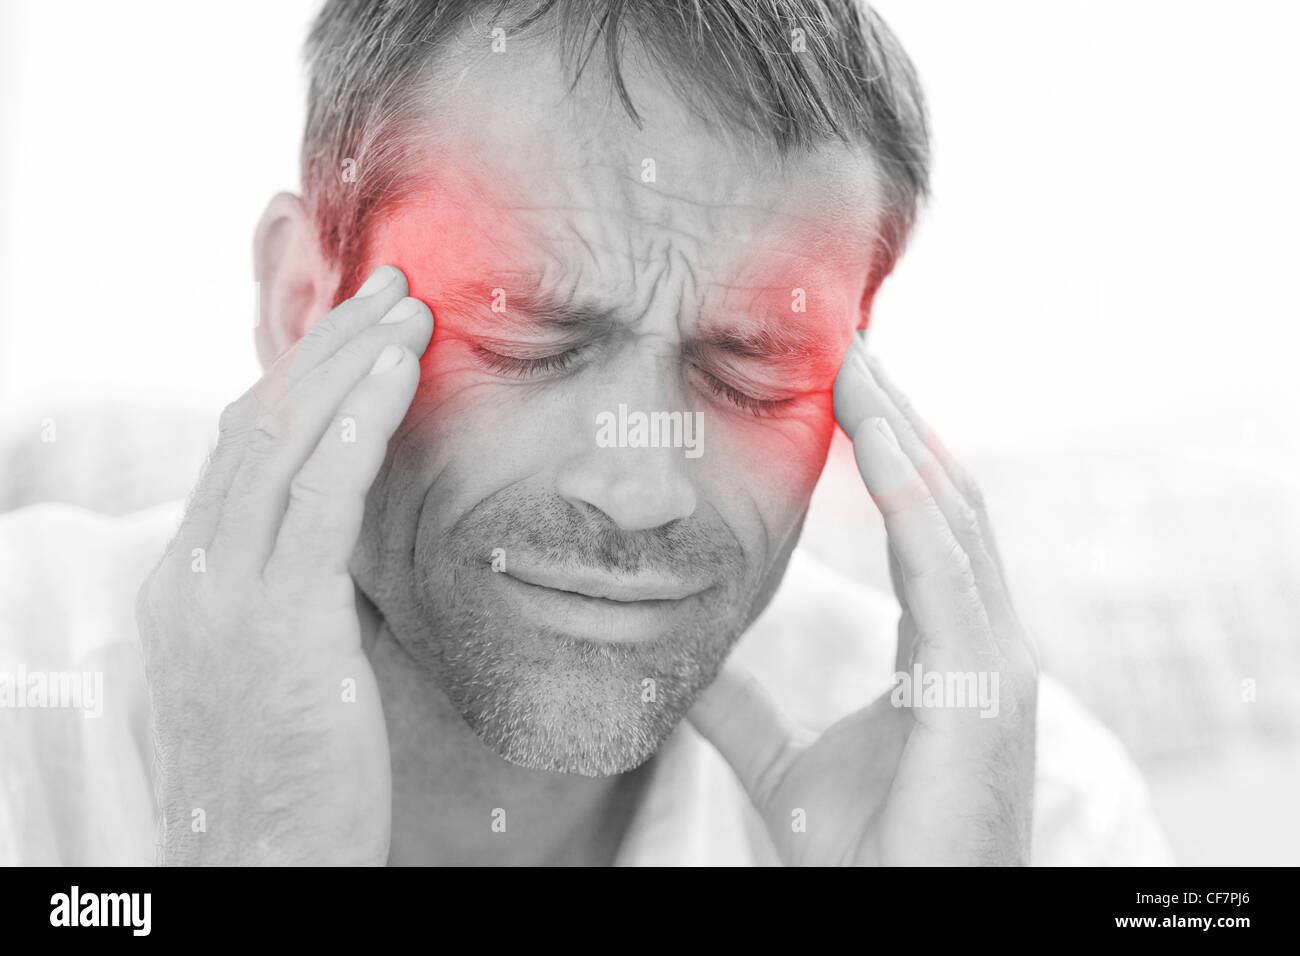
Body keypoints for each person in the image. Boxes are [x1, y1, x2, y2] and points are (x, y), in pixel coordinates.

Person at [0, 0, 1171, 865]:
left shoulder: (1015, 806)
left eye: (755, 371)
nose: (640, 484)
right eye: (526, 343)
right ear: (305, 307)